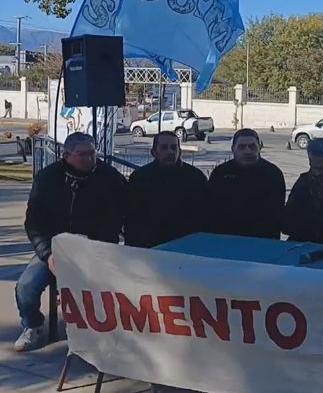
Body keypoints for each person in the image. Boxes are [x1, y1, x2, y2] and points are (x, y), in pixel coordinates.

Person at [15, 132, 126, 351]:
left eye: (92, 153)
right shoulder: (47, 178)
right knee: (26, 286)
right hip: (55, 248)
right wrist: (48, 254)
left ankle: (100, 331)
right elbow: (34, 222)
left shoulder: (109, 177)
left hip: (94, 248)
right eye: (82, 154)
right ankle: (32, 325)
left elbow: (116, 218)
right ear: (66, 156)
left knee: (108, 286)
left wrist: (98, 249)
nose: (90, 158)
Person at [125, 131, 208, 248]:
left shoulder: (195, 177)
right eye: (164, 148)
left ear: (180, 151)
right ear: (154, 152)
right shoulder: (140, 178)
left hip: (186, 245)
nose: (170, 152)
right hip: (149, 247)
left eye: (174, 148)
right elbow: (132, 218)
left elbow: (204, 215)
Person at [207, 128, 285, 239]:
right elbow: (211, 209)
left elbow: (277, 213)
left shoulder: (273, 174)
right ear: (233, 149)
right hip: (226, 238)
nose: (247, 151)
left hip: (263, 240)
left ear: (259, 148)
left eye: (252, 146)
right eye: (241, 147)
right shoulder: (220, 173)